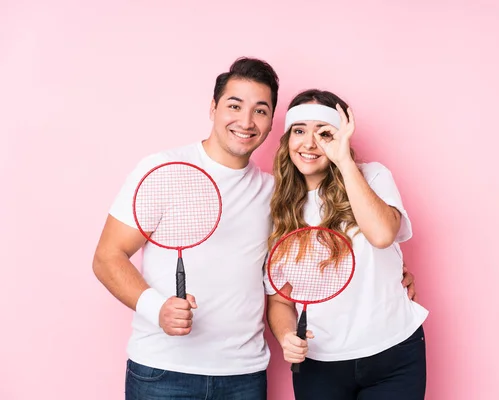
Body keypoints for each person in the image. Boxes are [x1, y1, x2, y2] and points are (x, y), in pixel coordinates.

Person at [92, 57, 418, 400]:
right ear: (213, 107)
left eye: (260, 111)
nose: (246, 121)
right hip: (163, 372)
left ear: (270, 122)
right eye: (235, 105)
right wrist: (154, 308)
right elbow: (107, 256)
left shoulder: (274, 195)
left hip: (244, 376)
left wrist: (394, 274)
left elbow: (362, 240)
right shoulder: (163, 169)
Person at [266, 89, 429, 400]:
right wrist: (287, 336)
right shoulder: (277, 208)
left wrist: (343, 160)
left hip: (394, 353)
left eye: (324, 133)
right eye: (299, 131)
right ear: (287, 139)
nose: (309, 143)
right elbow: (280, 300)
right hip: (319, 364)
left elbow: (381, 235)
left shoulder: (373, 176)